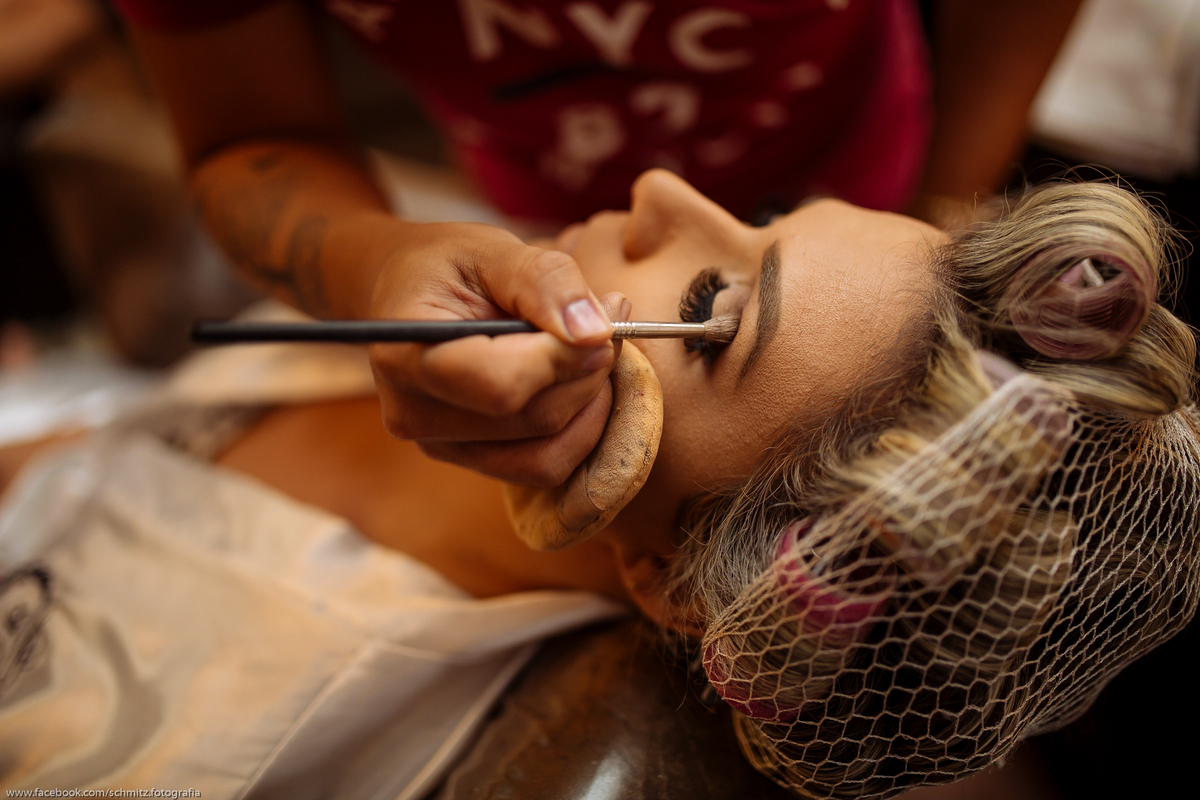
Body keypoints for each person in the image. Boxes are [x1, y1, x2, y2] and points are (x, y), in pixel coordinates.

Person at [1, 169, 1196, 797]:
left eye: (709, 307)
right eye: (766, 215)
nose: (665, 188)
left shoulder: (272, 704)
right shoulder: (488, 299)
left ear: (674, 577)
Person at [108, 0, 1086, 488]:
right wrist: (371, 261)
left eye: (709, 310)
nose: (659, 188)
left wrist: (942, 219)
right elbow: (246, 136)